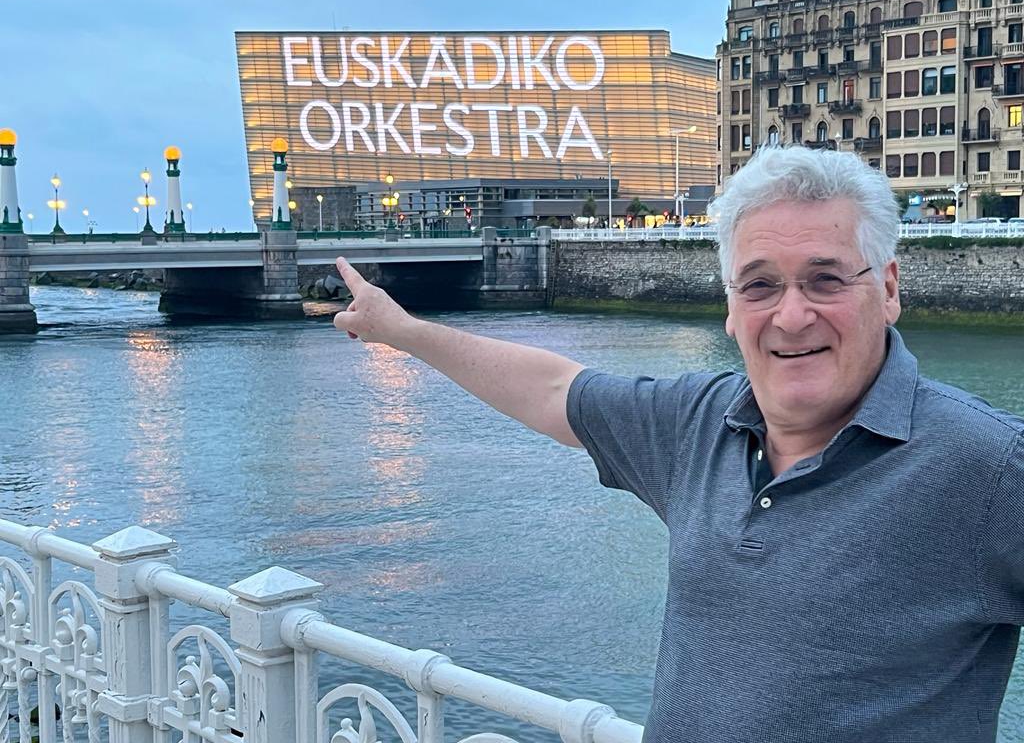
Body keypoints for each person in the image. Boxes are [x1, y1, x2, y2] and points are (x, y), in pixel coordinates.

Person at [332, 145, 1024, 743]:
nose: (791, 314)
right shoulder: (699, 423)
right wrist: (403, 331)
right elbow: (552, 390)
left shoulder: (987, 466)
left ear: (889, 289)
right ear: (730, 307)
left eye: (825, 279)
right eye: (760, 285)